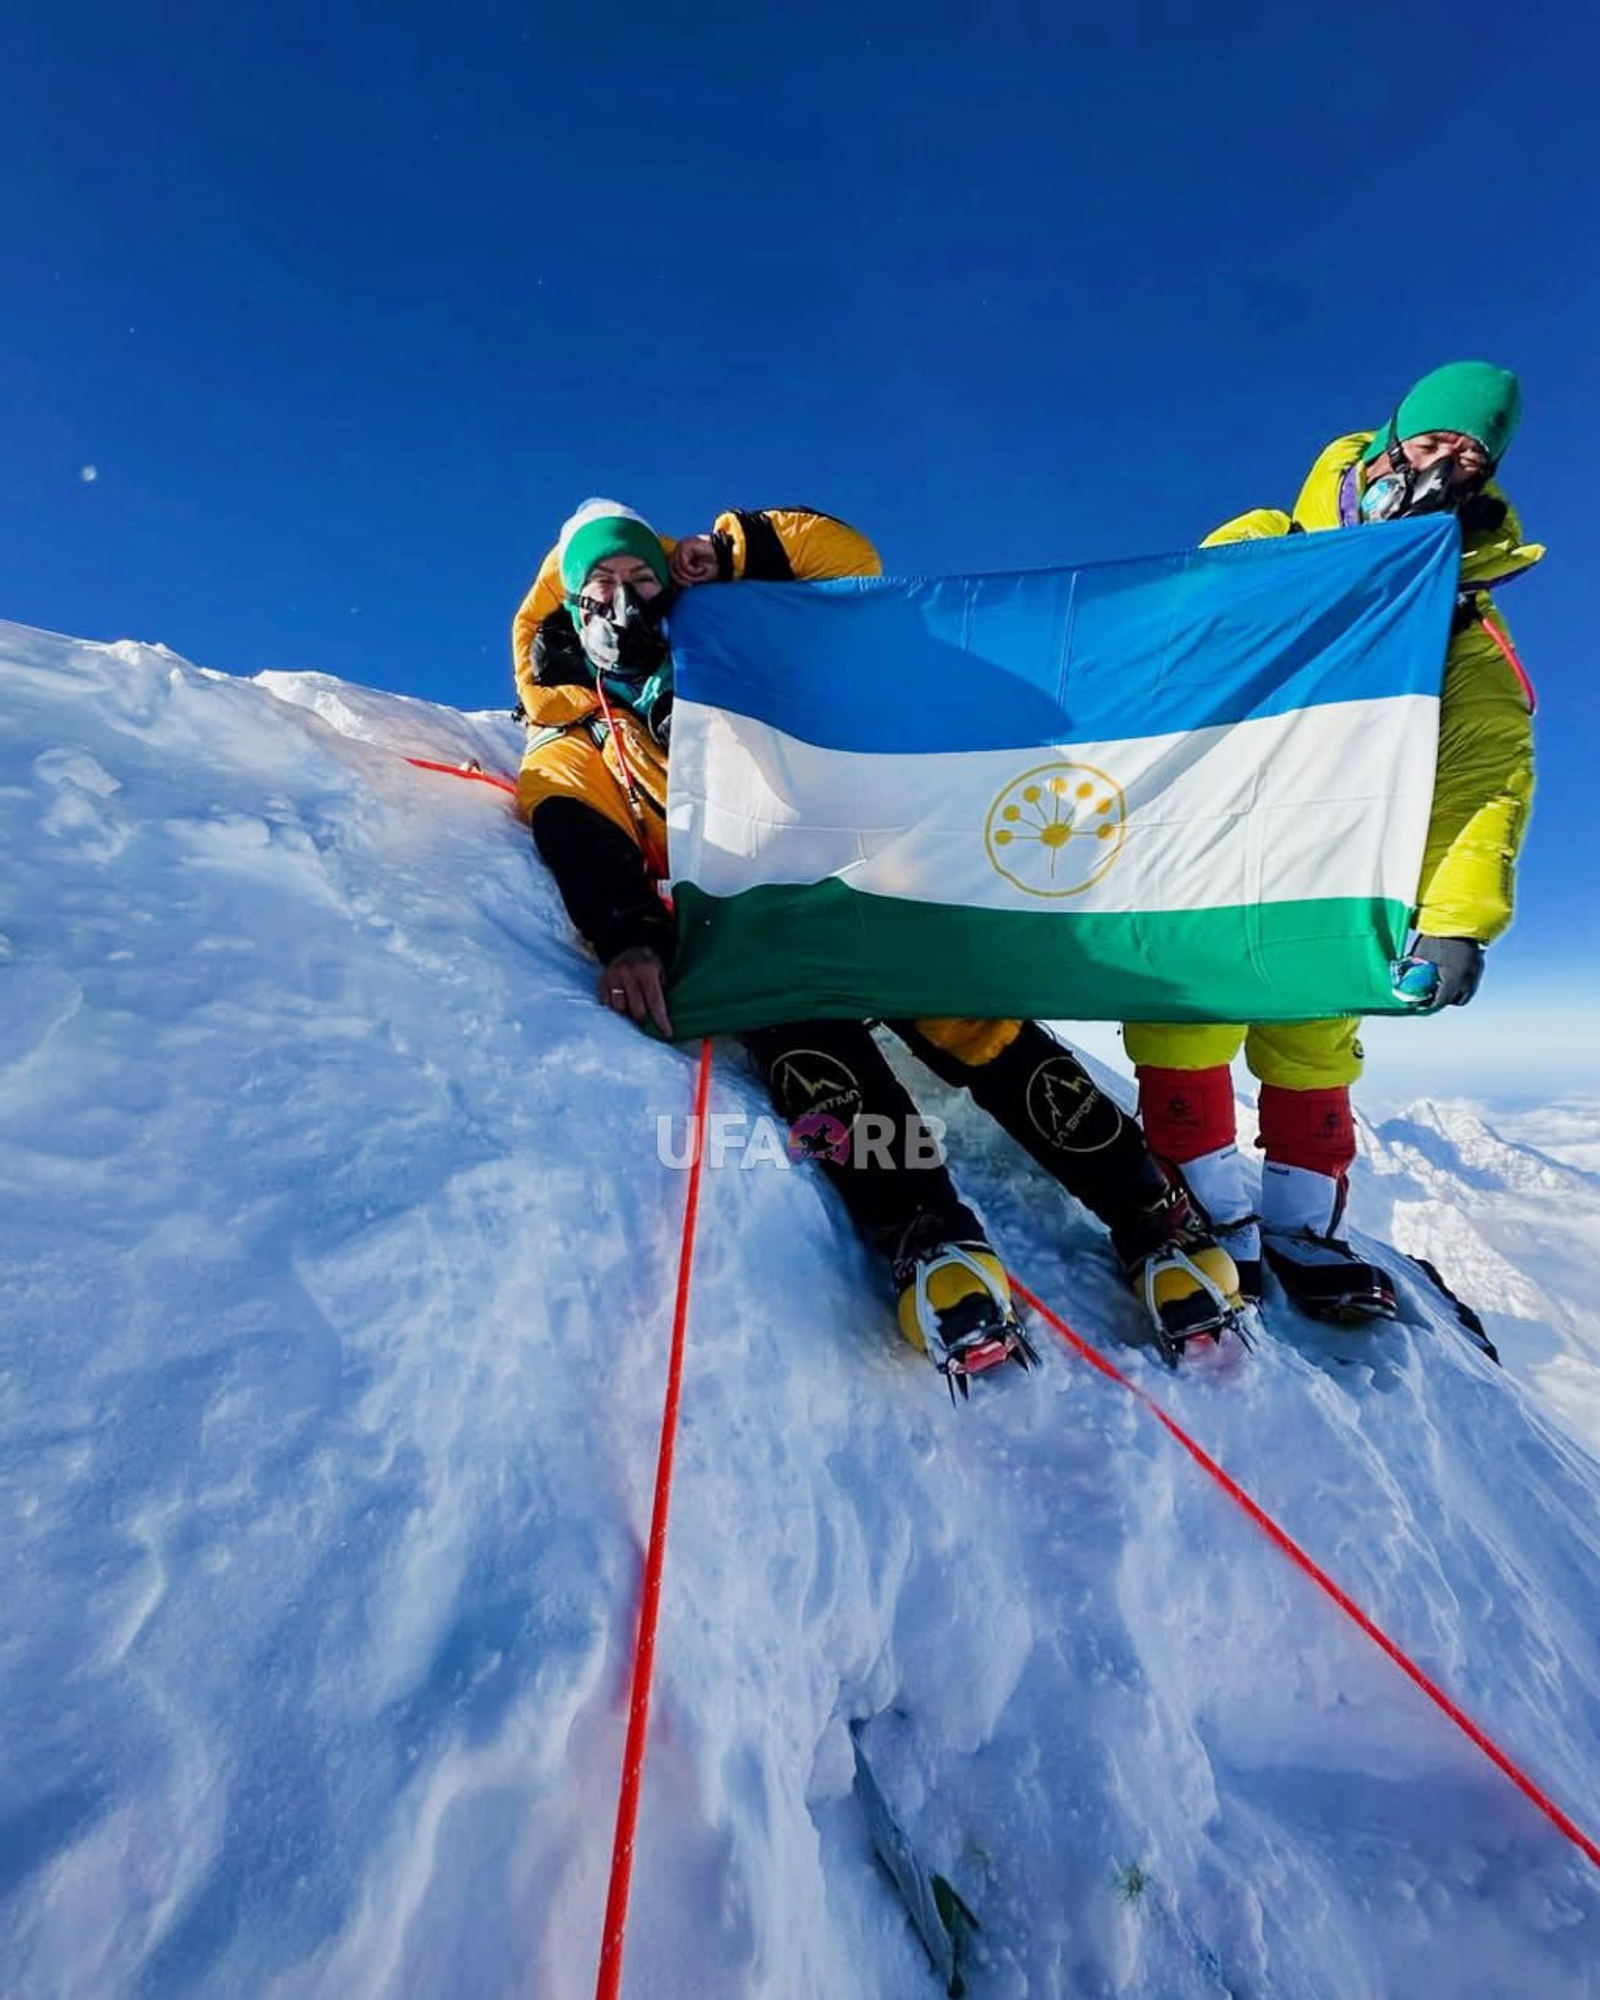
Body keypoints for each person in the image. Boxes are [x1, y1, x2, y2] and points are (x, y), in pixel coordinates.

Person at [513, 499, 1246, 1385]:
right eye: (601, 588)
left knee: (980, 1027)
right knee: (809, 1055)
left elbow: (852, 566)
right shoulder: (576, 746)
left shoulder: (752, 652)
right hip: (760, 929)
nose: (625, 603)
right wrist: (627, 935)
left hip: (866, 881)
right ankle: (929, 1238)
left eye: (641, 580)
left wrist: (738, 550)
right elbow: (577, 836)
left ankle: (1151, 1212)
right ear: (569, 608)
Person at [1125, 361, 1540, 1323]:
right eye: (1435, 443)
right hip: (1215, 845)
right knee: (1185, 1018)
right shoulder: (1270, 538)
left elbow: (1486, 776)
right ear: (1391, 442)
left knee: (1313, 1039)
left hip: (1349, 865)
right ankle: (1211, 1213)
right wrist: (1352, 566)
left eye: (1472, 459)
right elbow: (1176, 634)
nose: (1451, 468)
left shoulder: (1467, 623)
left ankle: (1302, 1229)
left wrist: (1458, 919)